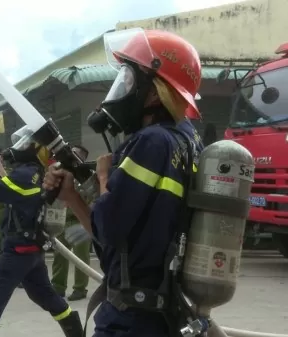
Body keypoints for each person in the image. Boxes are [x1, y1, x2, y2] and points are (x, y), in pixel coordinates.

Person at [43, 28, 205, 337]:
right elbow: (117, 238)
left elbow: (108, 227)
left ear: (155, 91)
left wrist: (104, 174)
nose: (122, 88)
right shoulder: (187, 142)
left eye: (128, 79)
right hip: (160, 312)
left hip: (130, 320)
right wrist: (72, 198)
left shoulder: (151, 142)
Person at [0, 128, 83, 337]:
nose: (17, 148)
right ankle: (75, 332)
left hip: (17, 251)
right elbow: (10, 188)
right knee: (44, 295)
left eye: (24, 144)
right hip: (33, 251)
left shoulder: (24, 175)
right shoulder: (38, 174)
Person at [50, 145, 92, 302]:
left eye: (76, 154)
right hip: (63, 219)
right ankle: (58, 286)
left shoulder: (86, 177)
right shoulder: (61, 174)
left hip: (80, 221)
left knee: (81, 257)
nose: (72, 156)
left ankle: (80, 288)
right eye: (71, 153)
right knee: (60, 254)